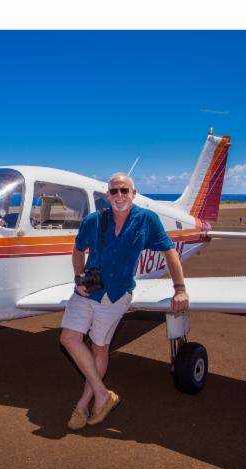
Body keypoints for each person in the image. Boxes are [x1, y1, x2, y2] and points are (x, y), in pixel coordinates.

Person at [60, 172, 190, 430]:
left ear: (133, 193)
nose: (119, 195)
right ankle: (103, 394)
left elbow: (169, 252)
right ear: (107, 196)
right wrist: (78, 277)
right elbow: (77, 251)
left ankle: (84, 404)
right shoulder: (93, 220)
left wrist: (180, 288)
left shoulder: (147, 219)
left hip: (117, 294)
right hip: (88, 291)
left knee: (99, 349)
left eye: (124, 190)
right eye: (114, 191)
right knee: (68, 338)